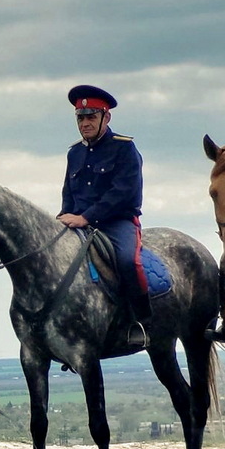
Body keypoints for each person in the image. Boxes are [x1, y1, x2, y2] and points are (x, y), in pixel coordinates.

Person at [57, 85, 150, 347]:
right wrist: (64, 215)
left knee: (128, 261)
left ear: (105, 118)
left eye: (91, 117)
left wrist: (86, 217)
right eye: (80, 118)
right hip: (78, 222)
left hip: (117, 222)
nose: (85, 123)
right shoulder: (74, 152)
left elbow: (122, 192)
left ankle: (138, 322)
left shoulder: (125, 148)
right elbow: (68, 191)